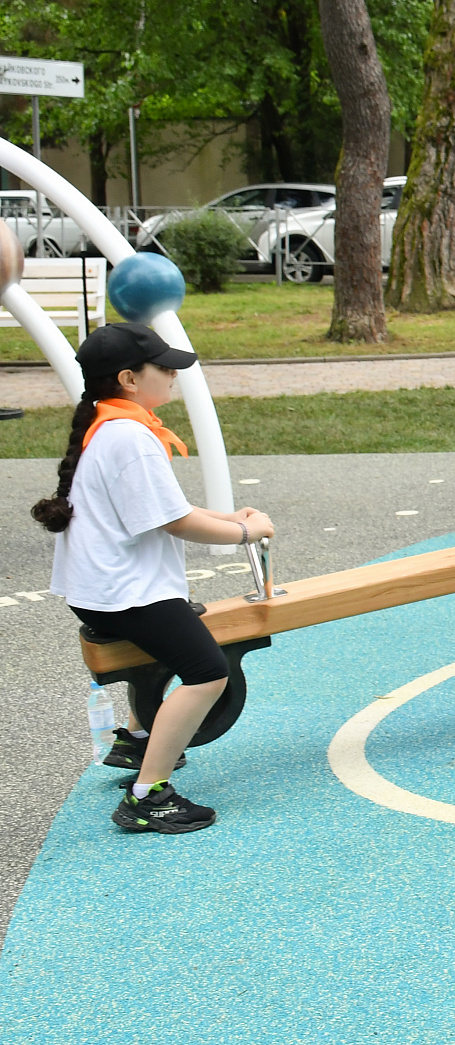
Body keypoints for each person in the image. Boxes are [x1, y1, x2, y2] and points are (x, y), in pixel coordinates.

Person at [30, 322, 276, 834]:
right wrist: (245, 533)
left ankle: (136, 742)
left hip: (98, 591)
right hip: (123, 594)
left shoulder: (109, 424)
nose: (173, 375)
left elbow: (165, 507)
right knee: (208, 672)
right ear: (129, 378)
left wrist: (230, 517)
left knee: (179, 639)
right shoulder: (131, 437)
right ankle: (149, 797)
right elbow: (175, 522)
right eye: (163, 368)